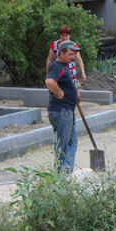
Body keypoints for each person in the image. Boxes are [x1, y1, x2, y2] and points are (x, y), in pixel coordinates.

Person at [45, 41, 81, 173]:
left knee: (72, 141)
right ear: (61, 53)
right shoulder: (58, 66)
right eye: (70, 54)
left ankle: (65, 170)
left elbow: (63, 82)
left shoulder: (61, 65)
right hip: (61, 110)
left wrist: (73, 91)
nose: (73, 57)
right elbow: (49, 81)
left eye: (74, 54)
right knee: (62, 144)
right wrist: (59, 92)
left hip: (67, 110)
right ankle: (60, 173)